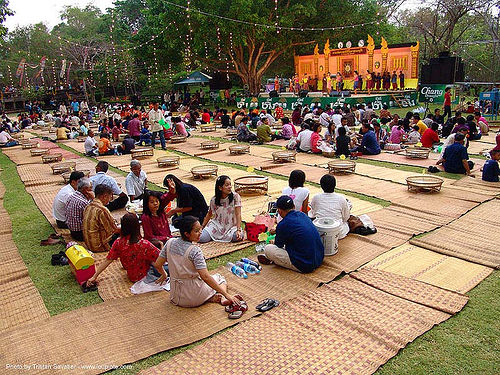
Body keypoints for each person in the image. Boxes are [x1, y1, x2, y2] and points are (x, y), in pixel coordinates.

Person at [154, 216, 242, 307]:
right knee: (219, 278)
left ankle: (209, 297)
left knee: (208, 281)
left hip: (175, 296)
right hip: (194, 297)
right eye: (196, 231)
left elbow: (157, 265)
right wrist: (227, 295)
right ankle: (221, 298)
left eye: (200, 229)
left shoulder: (169, 243)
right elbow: (205, 277)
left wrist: (164, 274)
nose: (200, 233)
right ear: (187, 234)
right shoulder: (195, 251)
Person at [87, 213, 167, 286]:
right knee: (169, 265)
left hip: (131, 274)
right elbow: (160, 259)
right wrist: (164, 274)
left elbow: (108, 260)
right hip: (145, 275)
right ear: (137, 226)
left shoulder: (119, 242)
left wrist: (94, 276)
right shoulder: (144, 244)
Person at [260, 196, 324, 273]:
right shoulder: (303, 215)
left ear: (279, 211)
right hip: (319, 258)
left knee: (268, 249)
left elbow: (278, 245)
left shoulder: (283, 224)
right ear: (293, 207)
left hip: (305, 265)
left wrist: (274, 240)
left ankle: (275, 261)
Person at [199, 176, 243, 243]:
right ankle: (211, 236)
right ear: (220, 188)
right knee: (201, 238)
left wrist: (238, 230)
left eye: (230, 184)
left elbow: (238, 214)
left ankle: (215, 237)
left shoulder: (235, 197)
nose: (230, 187)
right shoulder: (214, 200)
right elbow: (209, 214)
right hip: (216, 226)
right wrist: (202, 227)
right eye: (227, 185)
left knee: (237, 237)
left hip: (231, 227)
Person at [308, 174, 350, 239]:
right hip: (337, 232)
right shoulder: (341, 198)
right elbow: (346, 217)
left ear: (321, 186)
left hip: (319, 231)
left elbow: (313, 213)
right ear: (334, 185)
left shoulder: (316, 197)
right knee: (345, 224)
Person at [83, 184, 120, 252]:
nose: (110, 199)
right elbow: (114, 230)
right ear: (104, 196)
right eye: (110, 197)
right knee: (127, 231)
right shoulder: (102, 210)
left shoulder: (88, 206)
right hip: (99, 246)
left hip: (89, 244)